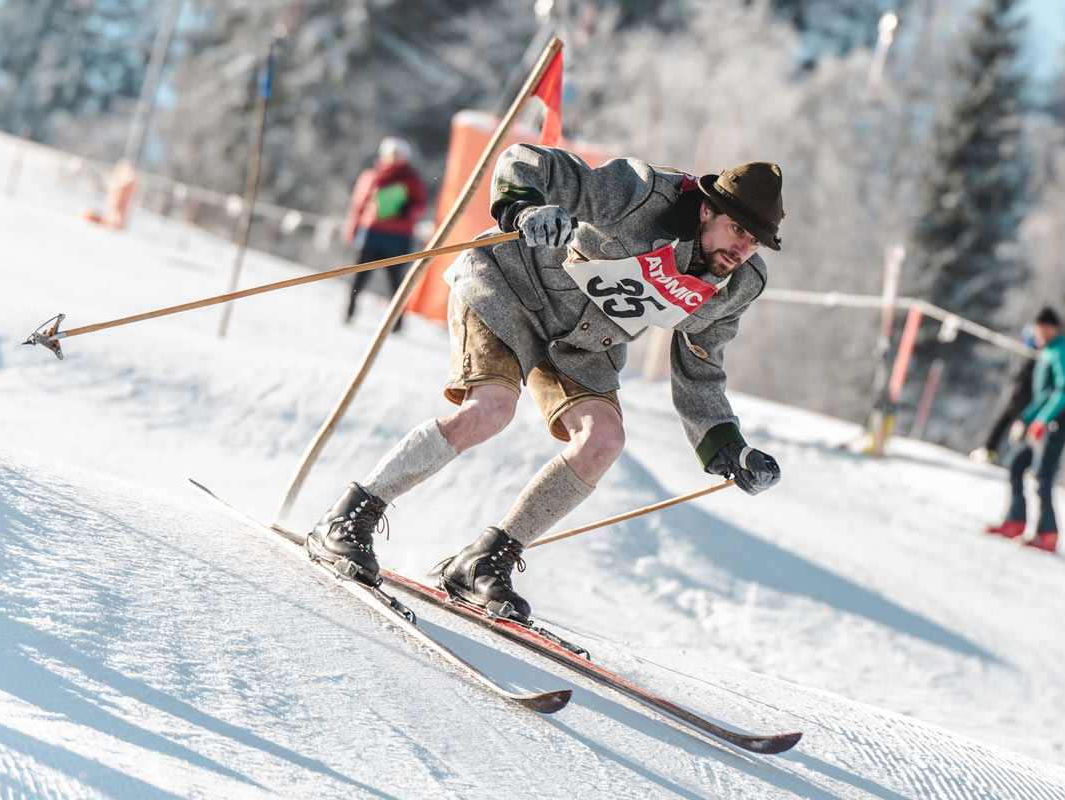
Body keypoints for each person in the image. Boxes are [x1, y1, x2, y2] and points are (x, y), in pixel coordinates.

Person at [306, 143, 785, 621]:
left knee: (603, 441)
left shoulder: (737, 285)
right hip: (507, 289)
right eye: (736, 230)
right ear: (706, 209)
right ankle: (350, 513)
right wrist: (524, 208)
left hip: (582, 343)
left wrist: (729, 448)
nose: (741, 249)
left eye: (754, 242)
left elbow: (701, 366)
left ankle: (482, 562)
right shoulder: (643, 195)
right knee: (490, 410)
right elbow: (528, 160)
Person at [984, 307, 1065, 552]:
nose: (1039, 333)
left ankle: (1047, 532)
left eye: (1044, 329)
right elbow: (1043, 396)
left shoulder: (1063, 350)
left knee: (1043, 473)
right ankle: (1015, 520)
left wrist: (1042, 421)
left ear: (1055, 329)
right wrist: (1025, 419)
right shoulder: (1047, 352)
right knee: (1017, 462)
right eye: (1037, 328)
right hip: (1048, 417)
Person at [340, 136, 428, 326]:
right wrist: (352, 228)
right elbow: (358, 205)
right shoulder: (372, 175)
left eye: (398, 155)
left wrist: (408, 209)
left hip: (398, 236)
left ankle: (396, 321)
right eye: (391, 154)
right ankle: (349, 311)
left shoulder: (411, 179)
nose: (394, 158)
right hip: (372, 232)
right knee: (360, 275)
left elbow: (420, 204)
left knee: (395, 281)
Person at [969, 325, 1039, 464]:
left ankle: (994, 453)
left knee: (1010, 426)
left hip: (1024, 400)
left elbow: (1024, 381)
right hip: (1022, 398)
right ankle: (991, 452)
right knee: (1008, 426)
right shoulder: (1029, 357)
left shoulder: (1037, 359)